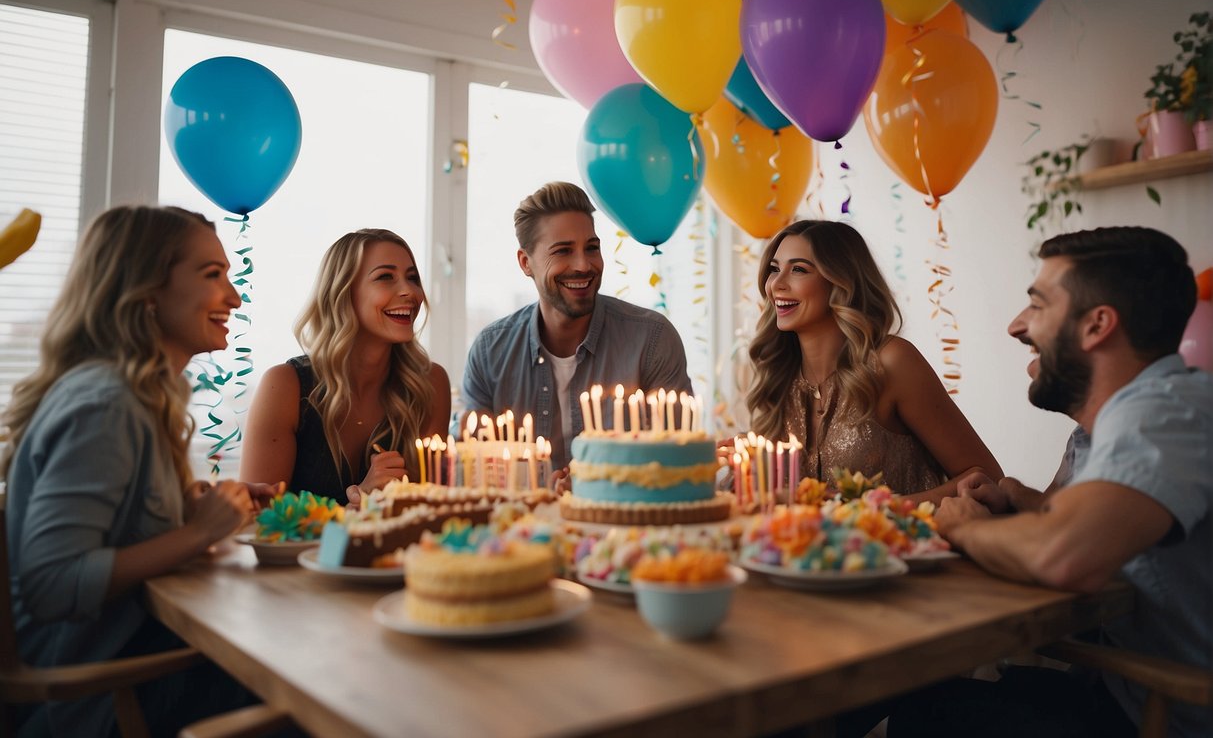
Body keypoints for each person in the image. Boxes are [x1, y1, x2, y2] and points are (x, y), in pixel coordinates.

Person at [891, 226, 1211, 738]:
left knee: (922, 716)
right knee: (920, 696)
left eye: (1037, 305)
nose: (1017, 326)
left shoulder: (1162, 415)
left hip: (1169, 714)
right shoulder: (1103, 429)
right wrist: (1021, 500)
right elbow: (1089, 529)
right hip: (1124, 690)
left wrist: (965, 526)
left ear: (1097, 326)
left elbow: (1062, 555)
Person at [2, 205, 278, 736]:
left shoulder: (132, 397)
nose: (234, 297)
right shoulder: (106, 405)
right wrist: (198, 533)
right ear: (148, 289)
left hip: (131, 665)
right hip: (95, 701)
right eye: (212, 275)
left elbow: (114, 529)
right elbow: (52, 584)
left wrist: (194, 508)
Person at [745, 219, 1003, 504]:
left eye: (798, 270)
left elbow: (987, 479)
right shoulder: (778, 375)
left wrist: (878, 510)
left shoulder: (891, 362)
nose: (776, 285)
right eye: (774, 269)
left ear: (841, 281)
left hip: (907, 547)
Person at [461, 181, 692, 471]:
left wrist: (597, 484)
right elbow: (477, 469)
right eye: (563, 251)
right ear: (525, 263)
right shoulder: (489, 352)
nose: (583, 265)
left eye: (592, 248)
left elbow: (681, 463)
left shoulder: (652, 339)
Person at [241, 229, 451, 507]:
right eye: (385, 277)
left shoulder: (429, 383)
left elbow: (432, 510)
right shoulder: (284, 385)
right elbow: (259, 519)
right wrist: (354, 507)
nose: (410, 292)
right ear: (343, 292)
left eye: (412, 278)